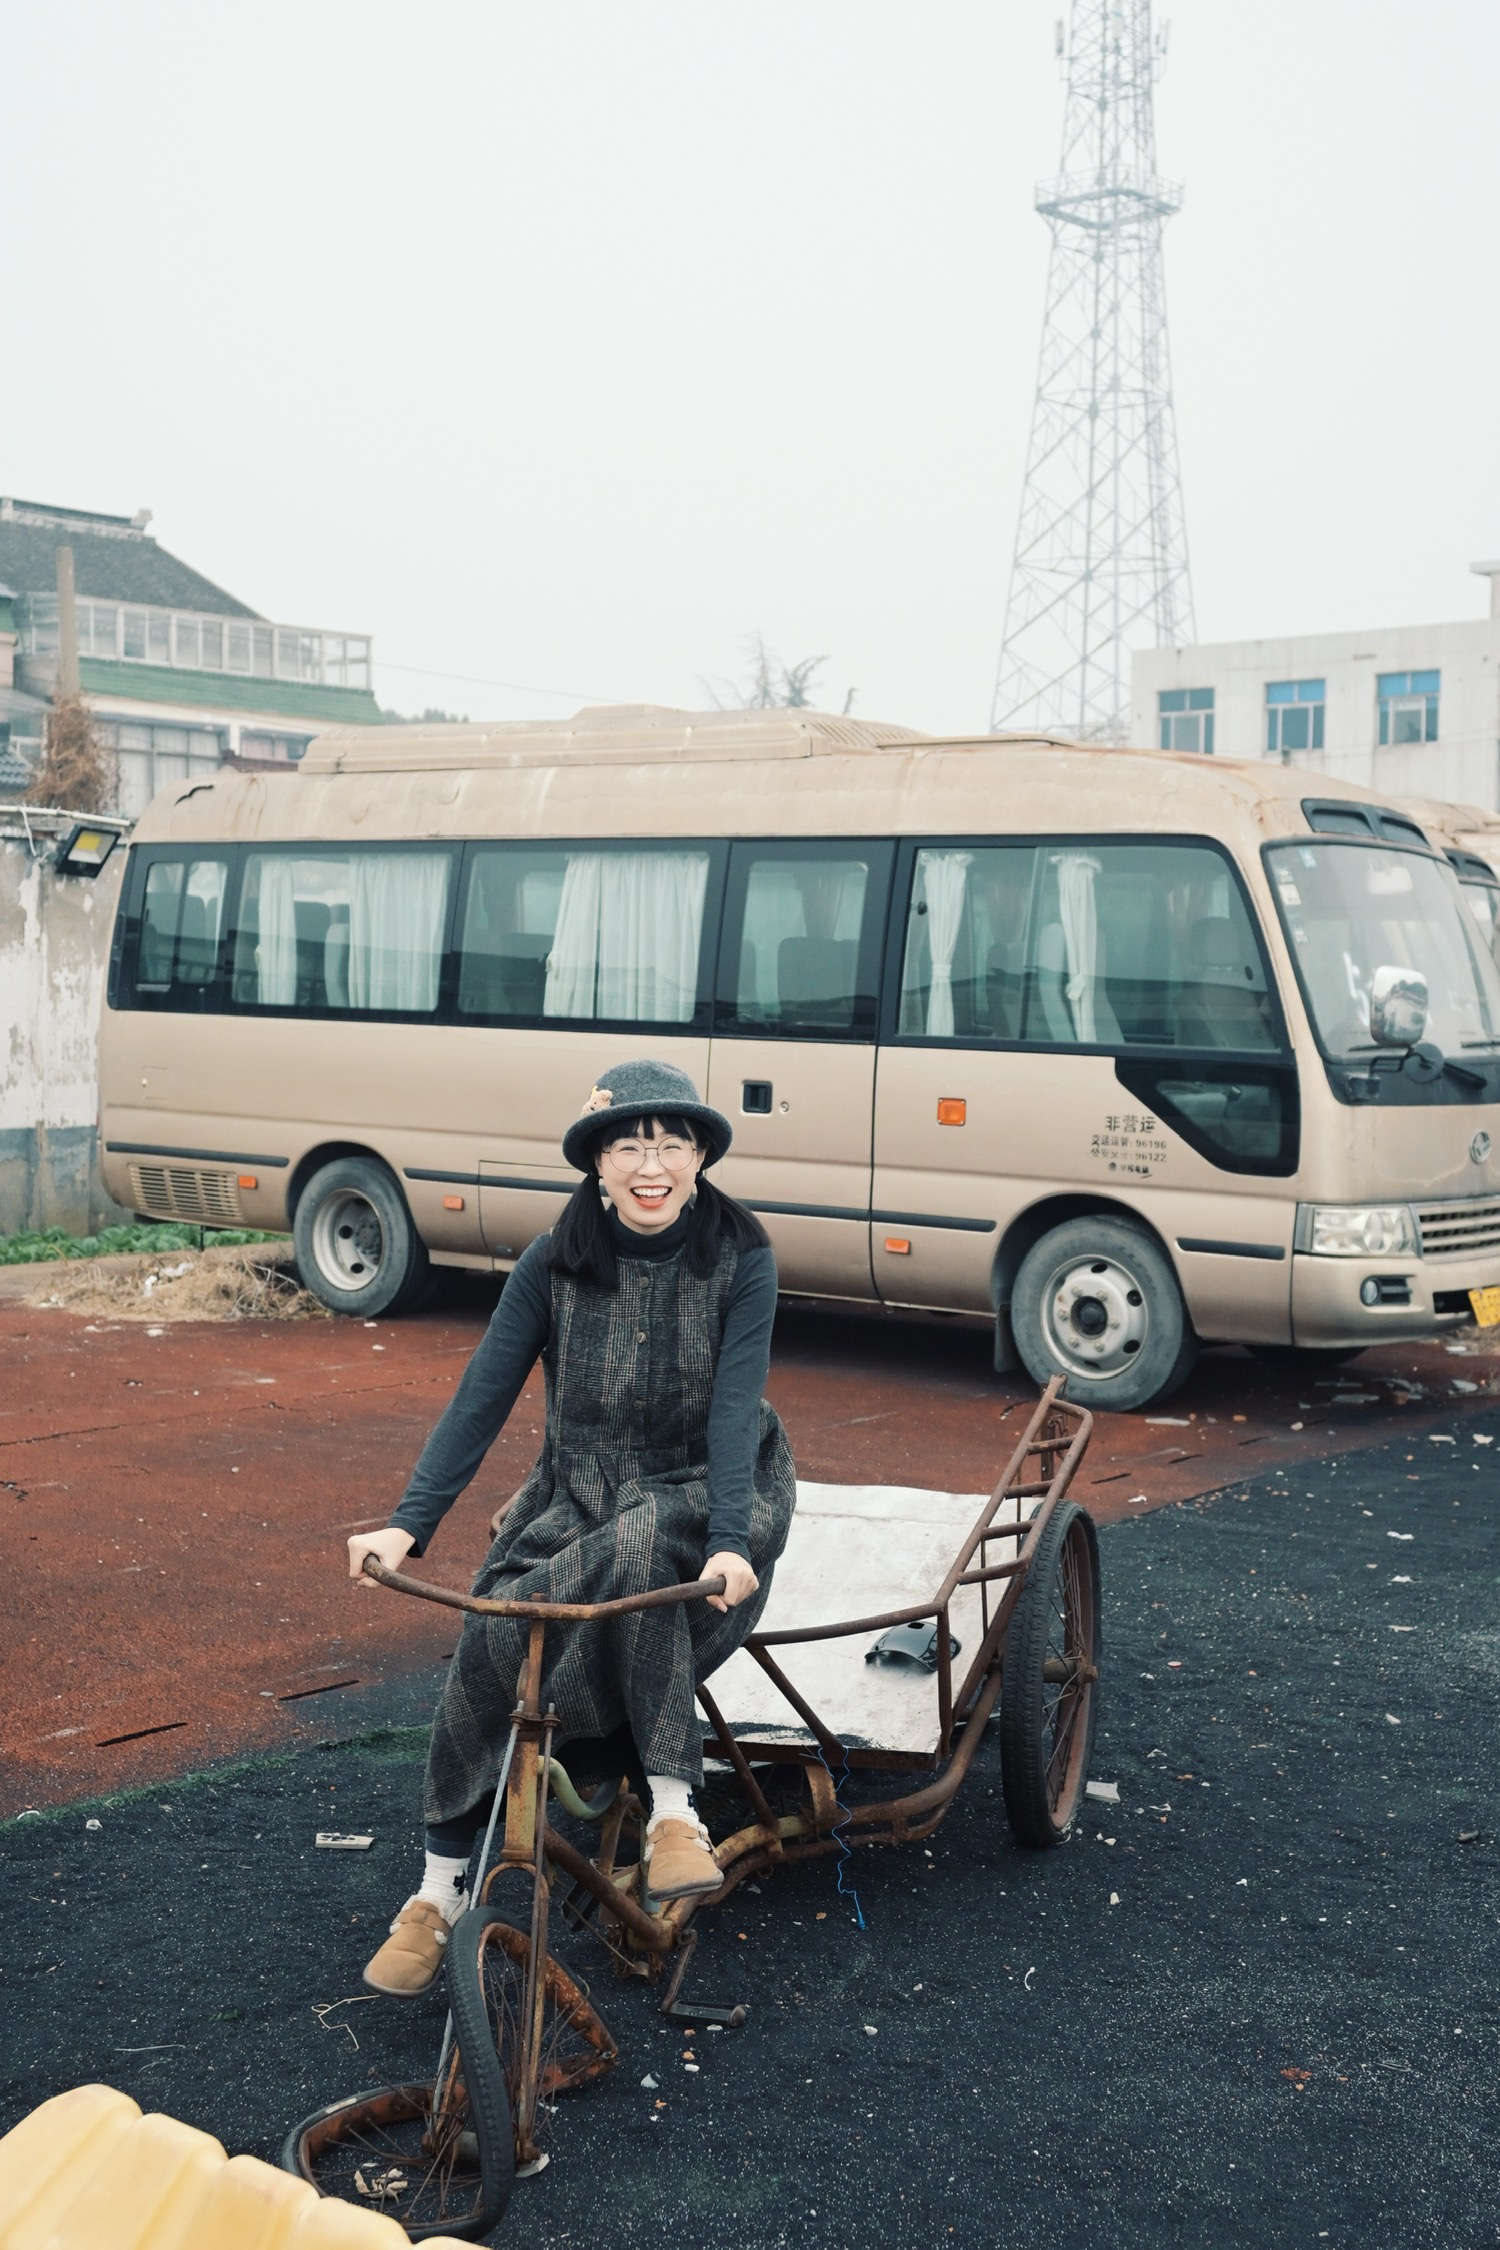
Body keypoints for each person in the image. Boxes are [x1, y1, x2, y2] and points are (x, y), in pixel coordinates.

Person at [348, 1057, 797, 1998]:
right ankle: (438, 1886)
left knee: (641, 1552)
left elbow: (733, 1411)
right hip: (579, 1495)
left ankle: (674, 1809)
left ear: (701, 1157)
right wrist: (406, 1527)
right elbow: (483, 1394)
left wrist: (728, 1538)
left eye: (672, 1144)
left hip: (709, 1489)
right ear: (596, 1161)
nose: (651, 1166)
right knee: (496, 1622)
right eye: (628, 1145)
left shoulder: (741, 1257)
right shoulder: (554, 1261)